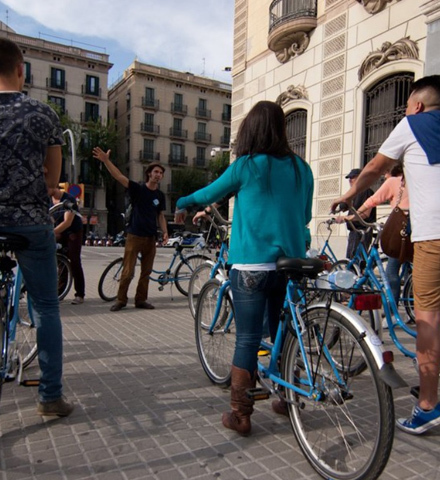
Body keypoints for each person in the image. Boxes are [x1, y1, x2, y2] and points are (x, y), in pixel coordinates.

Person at [174, 100, 314, 436]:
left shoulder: (246, 166)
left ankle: (241, 415)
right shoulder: (301, 168)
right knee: (287, 331)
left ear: (249, 129)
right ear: (281, 129)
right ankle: (286, 396)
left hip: (251, 265)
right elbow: (305, 216)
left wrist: (182, 203)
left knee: (249, 338)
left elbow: (210, 193)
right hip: (291, 265)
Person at [331, 75, 440, 435]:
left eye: (407, 104)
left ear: (418, 105)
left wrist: (349, 197)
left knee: (428, 321)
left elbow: (376, 168)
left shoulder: (414, 124)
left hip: (434, 236)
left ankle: (427, 406)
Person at [0, 38, 74, 416]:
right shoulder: (43, 113)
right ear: (20, 70)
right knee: (45, 305)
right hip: (30, 221)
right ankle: (50, 397)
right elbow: (54, 177)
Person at [92, 148, 168, 311]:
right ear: (149, 174)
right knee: (128, 272)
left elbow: (160, 215)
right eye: (155, 172)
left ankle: (141, 300)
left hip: (151, 238)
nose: (158, 175)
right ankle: (121, 300)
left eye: (161, 173)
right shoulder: (138, 189)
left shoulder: (160, 196)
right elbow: (119, 176)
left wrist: (165, 232)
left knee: (146, 272)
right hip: (134, 235)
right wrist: (106, 161)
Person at [344, 163, 410, 306]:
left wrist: (350, 216)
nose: (384, 177)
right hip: (419, 230)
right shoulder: (413, 180)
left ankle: (393, 312)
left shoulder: (393, 181)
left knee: (391, 272)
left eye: (384, 174)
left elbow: (372, 202)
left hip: (402, 232)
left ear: (389, 172)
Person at [51, 187, 86, 305]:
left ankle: (80, 294)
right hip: (59, 232)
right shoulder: (48, 199)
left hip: (73, 232)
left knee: (74, 261)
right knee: (60, 261)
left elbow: (67, 222)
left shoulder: (68, 199)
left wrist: (52, 232)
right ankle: (59, 292)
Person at [335, 168, 376, 259]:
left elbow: (364, 214)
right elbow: (344, 206)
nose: (350, 180)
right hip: (354, 231)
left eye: (353, 177)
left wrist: (345, 218)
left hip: (362, 231)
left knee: (356, 261)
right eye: (349, 178)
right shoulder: (355, 194)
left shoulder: (366, 192)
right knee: (351, 260)